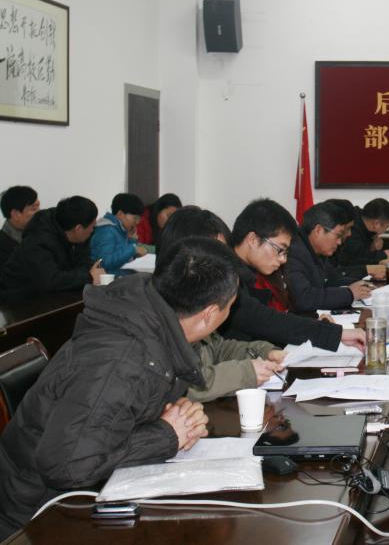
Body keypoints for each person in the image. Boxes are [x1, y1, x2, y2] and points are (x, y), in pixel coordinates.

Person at [0, 237, 234, 539]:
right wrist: (167, 435)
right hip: (35, 517)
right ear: (209, 314)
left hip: (70, 496)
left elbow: (116, 414)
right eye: (230, 306)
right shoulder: (124, 361)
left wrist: (175, 420)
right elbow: (67, 465)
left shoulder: (149, 321)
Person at [164, 205, 363, 352]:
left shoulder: (243, 276)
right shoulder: (226, 286)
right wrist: (332, 334)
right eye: (280, 249)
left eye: (222, 252)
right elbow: (264, 320)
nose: (283, 259)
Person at [0, 196, 104, 300]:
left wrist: (89, 274)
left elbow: (84, 262)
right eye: (92, 227)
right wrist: (88, 277)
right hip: (17, 299)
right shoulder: (38, 239)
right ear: (78, 228)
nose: (93, 230)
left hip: (52, 296)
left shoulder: (77, 231)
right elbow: (50, 280)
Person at [287, 201, 373, 313]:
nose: (339, 242)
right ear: (318, 230)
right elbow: (303, 298)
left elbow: (332, 278)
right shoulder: (295, 252)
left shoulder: (315, 250)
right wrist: (350, 294)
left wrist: (361, 285)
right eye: (338, 235)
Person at [90, 192, 149, 273]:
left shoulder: (120, 230)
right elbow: (103, 263)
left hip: (120, 276)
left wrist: (132, 240)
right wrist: (133, 249)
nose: (138, 222)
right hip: (109, 279)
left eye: (139, 219)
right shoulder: (107, 231)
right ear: (120, 214)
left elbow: (123, 257)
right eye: (135, 218)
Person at [333, 197, 389, 270]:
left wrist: (373, 247)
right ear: (377, 224)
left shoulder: (365, 225)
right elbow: (354, 259)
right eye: (387, 226)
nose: (387, 229)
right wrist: (383, 255)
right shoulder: (352, 228)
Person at [0, 186, 40, 267]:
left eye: (39, 207)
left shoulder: (41, 232)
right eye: (34, 209)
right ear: (16, 214)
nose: (40, 212)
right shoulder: (4, 249)